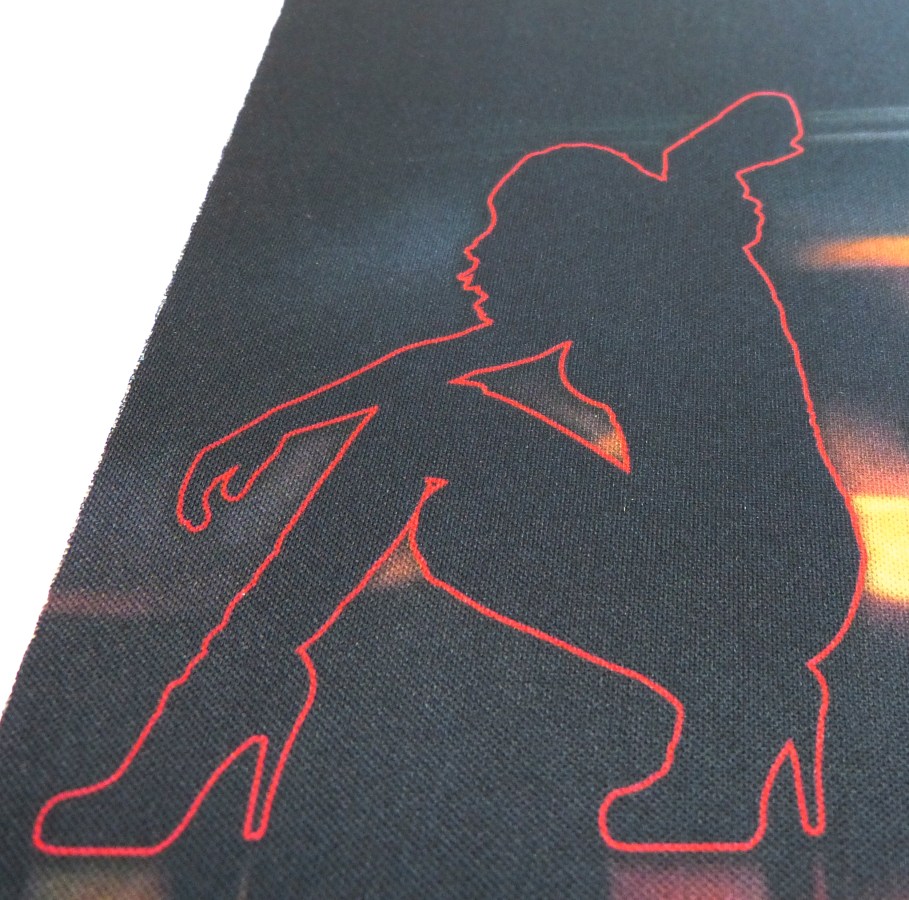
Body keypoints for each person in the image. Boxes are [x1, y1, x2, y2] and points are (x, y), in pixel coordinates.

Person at [34, 91, 863, 856]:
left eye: (505, 225)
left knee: (432, 442)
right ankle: (737, 700)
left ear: (573, 243)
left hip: (763, 570)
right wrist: (274, 426)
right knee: (443, 489)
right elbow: (424, 369)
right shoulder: (645, 282)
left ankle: (237, 683)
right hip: (732, 564)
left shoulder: (675, 285)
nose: (478, 248)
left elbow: (709, 166)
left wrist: (700, 167)